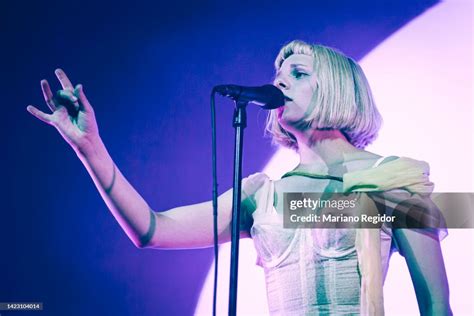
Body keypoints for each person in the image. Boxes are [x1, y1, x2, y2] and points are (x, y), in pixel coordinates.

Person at [27, 40, 451, 315]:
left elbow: (436, 307)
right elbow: (152, 229)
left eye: (299, 74)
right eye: (279, 76)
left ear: (339, 88)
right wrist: (90, 148)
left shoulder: (393, 179)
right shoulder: (262, 197)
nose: (281, 81)